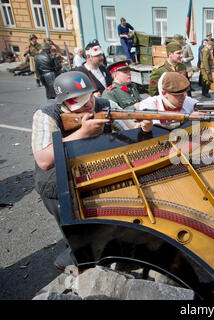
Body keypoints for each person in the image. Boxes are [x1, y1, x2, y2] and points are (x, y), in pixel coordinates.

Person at [31, 71, 152, 269]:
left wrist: (145, 129)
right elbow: (44, 160)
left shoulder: (105, 105)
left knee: (101, 228)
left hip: (93, 176)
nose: (87, 104)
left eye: (89, 96)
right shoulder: (46, 113)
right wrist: (82, 133)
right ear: (64, 102)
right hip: (56, 183)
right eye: (77, 101)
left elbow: (131, 132)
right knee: (76, 235)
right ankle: (77, 263)